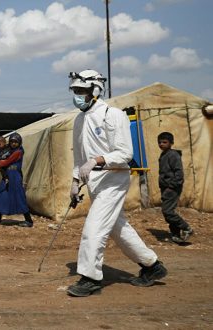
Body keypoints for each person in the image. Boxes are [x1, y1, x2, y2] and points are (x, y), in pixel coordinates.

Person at [66, 69, 167, 297]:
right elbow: (79, 159)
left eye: (82, 91)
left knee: (94, 228)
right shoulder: (79, 120)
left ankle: (90, 278)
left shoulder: (113, 115)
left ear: (95, 91)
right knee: (117, 228)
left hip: (113, 179)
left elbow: (125, 153)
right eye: (75, 91)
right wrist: (74, 181)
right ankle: (152, 266)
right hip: (94, 182)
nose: (77, 96)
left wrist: (97, 159)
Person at [0, 133, 33, 227]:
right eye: (12, 141)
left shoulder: (18, 152)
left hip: (15, 177)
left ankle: (29, 221)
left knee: (19, 197)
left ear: (19, 142)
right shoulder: (9, 150)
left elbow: (7, 162)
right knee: (1, 194)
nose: (13, 143)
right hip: (8, 177)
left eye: (15, 142)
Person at [157, 132, 193, 244]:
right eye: (159, 142)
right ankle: (176, 234)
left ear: (171, 143)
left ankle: (186, 228)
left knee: (167, 211)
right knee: (169, 211)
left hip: (172, 188)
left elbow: (179, 173)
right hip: (166, 187)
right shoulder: (164, 154)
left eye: (164, 142)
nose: (161, 144)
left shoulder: (173, 155)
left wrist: (172, 186)